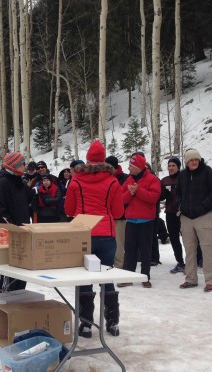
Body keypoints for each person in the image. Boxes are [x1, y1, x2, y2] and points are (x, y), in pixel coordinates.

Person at [64, 141, 124, 337]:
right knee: (107, 277)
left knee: (84, 279)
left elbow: (68, 210)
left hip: (82, 232)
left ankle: (87, 324)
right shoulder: (113, 181)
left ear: (88, 159)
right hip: (106, 233)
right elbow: (117, 211)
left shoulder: (76, 180)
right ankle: (112, 323)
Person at [176, 149, 212, 292]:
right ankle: (190, 279)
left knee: (208, 248)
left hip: (203, 216)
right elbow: (178, 193)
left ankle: (211, 280)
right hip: (186, 217)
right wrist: (180, 205)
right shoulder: (182, 175)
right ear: (186, 162)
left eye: (196, 159)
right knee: (189, 249)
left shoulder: (207, 172)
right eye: (191, 160)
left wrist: (204, 206)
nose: (194, 162)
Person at [118, 154, 161, 288]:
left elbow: (153, 197)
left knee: (145, 250)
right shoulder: (129, 179)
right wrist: (130, 193)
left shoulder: (152, 179)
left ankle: (145, 277)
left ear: (138, 167)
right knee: (130, 250)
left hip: (146, 221)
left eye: (131, 166)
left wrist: (137, 191)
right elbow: (120, 198)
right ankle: (129, 276)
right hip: (131, 220)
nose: (128, 168)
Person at [0, 151, 30, 291]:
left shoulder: (18, 181)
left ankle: (19, 297)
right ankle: (6, 298)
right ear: (14, 165)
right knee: (11, 272)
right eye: (22, 164)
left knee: (22, 271)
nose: (25, 167)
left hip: (23, 230)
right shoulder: (4, 181)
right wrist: (11, 227)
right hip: (11, 233)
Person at [105, 156, 129, 268]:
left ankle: (119, 268)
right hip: (107, 216)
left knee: (119, 244)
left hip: (121, 217)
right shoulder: (106, 178)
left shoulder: (125, 178)